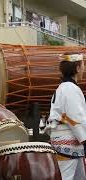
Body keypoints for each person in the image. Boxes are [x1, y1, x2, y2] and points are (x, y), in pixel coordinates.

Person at [47, 52, 86, 180]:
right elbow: (76, 119)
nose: (84, 68)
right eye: (83, 65)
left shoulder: (64, 88)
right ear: (77, 68)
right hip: (68, 143)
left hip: (69, 142)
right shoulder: (70, 89)